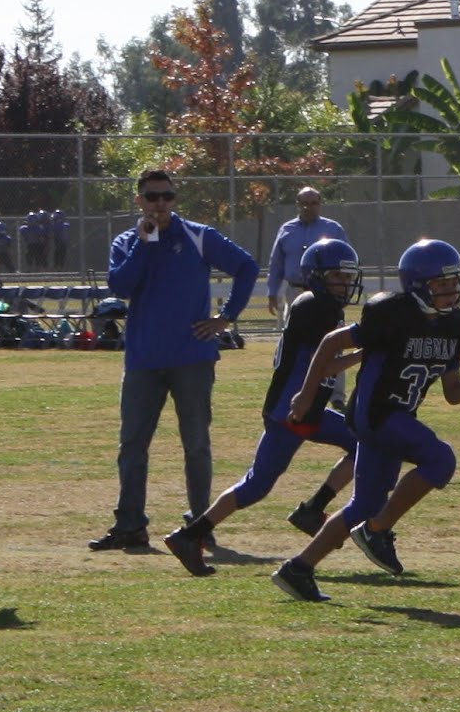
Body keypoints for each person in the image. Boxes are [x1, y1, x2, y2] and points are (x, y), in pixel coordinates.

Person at [272, 238, 460, 602]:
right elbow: (332, 342)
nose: (451, 291)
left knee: (361, 506)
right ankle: (378, 530)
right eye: (441, 284)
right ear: (418, 286)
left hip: (395, 419)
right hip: (375, 416)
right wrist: (305, 392)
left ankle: (297, 569)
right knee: (441, 459)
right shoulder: (391, 313)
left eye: (453, 282)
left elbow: (453, 394)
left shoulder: (454, 325)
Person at [165, 239, 364, 577]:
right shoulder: (319, 307)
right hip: (294, 410)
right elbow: (323, 365)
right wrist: (364, 354)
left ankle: (312, 510)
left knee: (360, 442)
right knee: (256, 486)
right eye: (337, 276)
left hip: (302, 405)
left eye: (347, 277)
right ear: (317, 275)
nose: (344, 284)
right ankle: (190, 535)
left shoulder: (317, 304)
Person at [88, 169, 259, 551]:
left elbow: (246, 266)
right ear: (139, 201)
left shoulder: (198, 235)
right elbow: (121, 285)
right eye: (152, 197)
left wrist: (226, 317)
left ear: (175, 198)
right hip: (144, 359)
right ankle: (130, 525)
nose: (160, 204)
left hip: (192, 357)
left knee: (196, 444)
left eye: (167, 196)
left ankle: (200, 523)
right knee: (132, 445)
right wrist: (146, 244)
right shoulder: (128, 241)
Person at [265, 188, 348, 319]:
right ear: (297, 204)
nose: (309, 207)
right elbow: (276, 264)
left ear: (320, 204)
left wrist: (342, 289)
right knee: (294, 332)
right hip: (295, 291)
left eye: (314, 203)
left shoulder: (333, 229)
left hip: (325, 291)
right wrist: (272, 293)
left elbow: (345, 262)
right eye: (305, 203)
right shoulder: (286, 230)